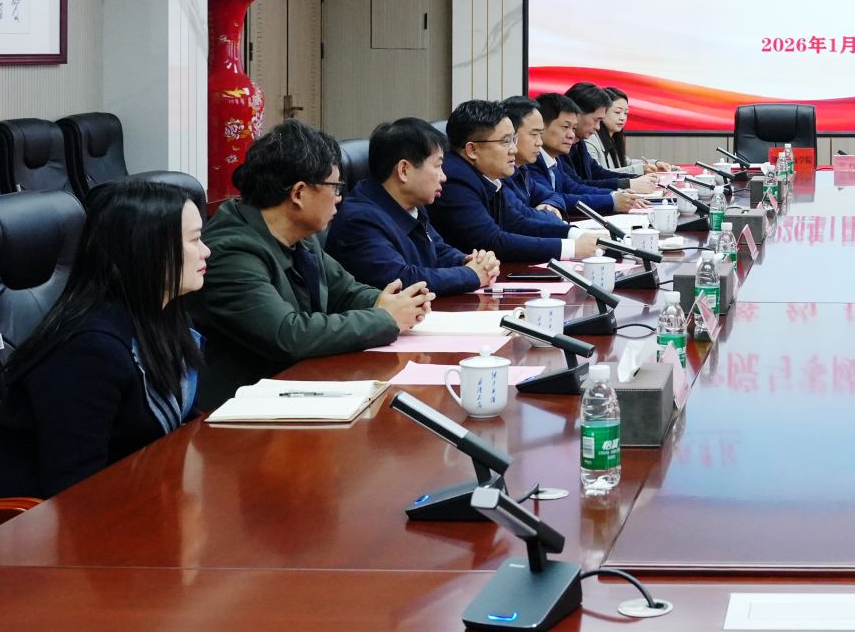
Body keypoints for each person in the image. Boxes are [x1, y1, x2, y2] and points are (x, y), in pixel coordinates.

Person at [0, 182, 208, 499]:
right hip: (42, 520)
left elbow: (179, 422)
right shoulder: (88, 350)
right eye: (194, 240)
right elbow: (74, 488)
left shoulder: (165, 316)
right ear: (146, 249)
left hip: (143, 491)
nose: (206, 251)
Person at [187, 121, 433, 410]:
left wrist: (394, 302)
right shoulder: (230, 252)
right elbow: (288, 334)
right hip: (238, 408)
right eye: (335, 187)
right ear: (299, 193)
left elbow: (346, 291)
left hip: (295, 388)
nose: (340, 198)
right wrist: (386, 319)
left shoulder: (300, 235)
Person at [325, 117, 502, 296]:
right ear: (404, 170)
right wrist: (471, 274)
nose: (443, 177)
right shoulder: (359, 221)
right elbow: (402, 280)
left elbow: (436, 250)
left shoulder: (410, 204)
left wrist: (467, 261)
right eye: (438, 166)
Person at [433, 99, 599, 265]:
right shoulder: (455, 180)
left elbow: (516, 223)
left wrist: (573, 233)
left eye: (514, 139)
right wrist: (572, 248)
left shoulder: (487, 175)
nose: (514, 149)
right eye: (506, 141)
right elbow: (491, 241)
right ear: (472, 150)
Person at [515, 91, 643, 215]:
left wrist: (614, 195)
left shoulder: (554, 157)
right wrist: (611, 200)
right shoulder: (531, 161)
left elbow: (572, 187)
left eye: (573, 128)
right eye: (565, 127)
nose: (571, 135)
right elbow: (555, 198)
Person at [561, 83, 660, 192]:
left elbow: (598, 173)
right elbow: (575, 186)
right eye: (596, 120)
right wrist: (624, 187)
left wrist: (636, 179)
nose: (598, 127)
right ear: (577, 113)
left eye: (626, 113)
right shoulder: (571, 143)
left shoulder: (579, 142)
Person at [590, 86, 666, 176]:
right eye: (617, 112)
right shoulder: (590, 139)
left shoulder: (612, 137)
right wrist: (640, 169)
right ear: (602, 112)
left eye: (626, 113)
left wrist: (655, 164)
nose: (623, 118)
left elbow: (625, 163)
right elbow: (598, 175)